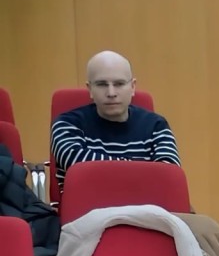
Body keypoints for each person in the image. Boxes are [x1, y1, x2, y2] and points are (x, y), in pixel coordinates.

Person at [50, 50, 181, 190]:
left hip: (148, 208)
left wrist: (114, 168)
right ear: (90, 89)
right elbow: (82, 170)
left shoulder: (157, 125)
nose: (111, 93)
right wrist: (143, 170)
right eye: (101, 84)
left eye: (119, 84)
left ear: (132, 87)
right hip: (90, 208)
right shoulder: (66, 125)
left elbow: (168, 176)